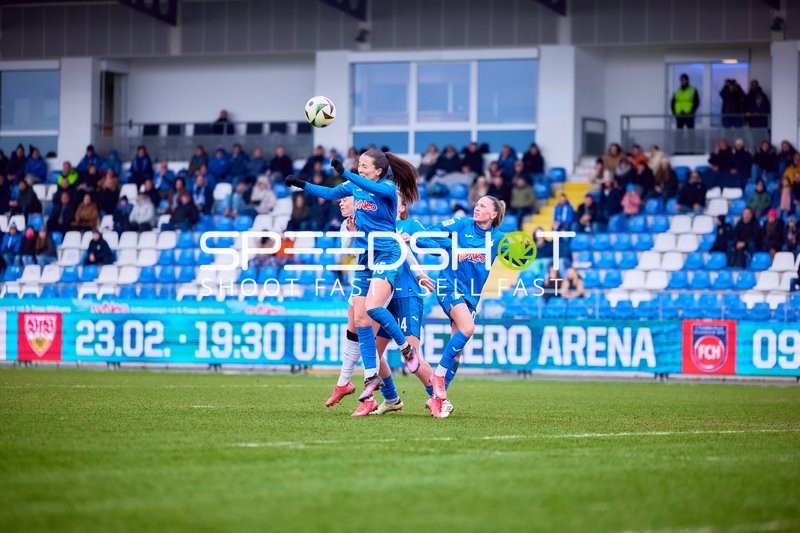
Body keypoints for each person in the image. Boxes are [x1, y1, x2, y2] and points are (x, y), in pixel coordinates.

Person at [285, 149, 421, 402]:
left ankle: (405, 348)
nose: (361, 168)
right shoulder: (354, 186)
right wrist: (301, 185)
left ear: (379, 171)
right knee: (360, 319)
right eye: (359, 165)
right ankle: (370, 381)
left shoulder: (388, 188)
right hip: (365, 257)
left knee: (371, 308)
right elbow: (328, 193)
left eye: (365, 165)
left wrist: (344, 173)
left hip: (388, 253)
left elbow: (366, 186)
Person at [413, 196, 507, 417]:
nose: (477, 207)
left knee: (457, 354)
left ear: (493, 215)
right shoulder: (461, 224)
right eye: (477, 204)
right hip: (448, 285)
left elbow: (520, 256)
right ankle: (438, 378)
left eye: (483, 206)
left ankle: (436, 400)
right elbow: (426, 237)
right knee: (468, 328)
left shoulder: (500, 239)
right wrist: (452, 247)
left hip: (472, 295)